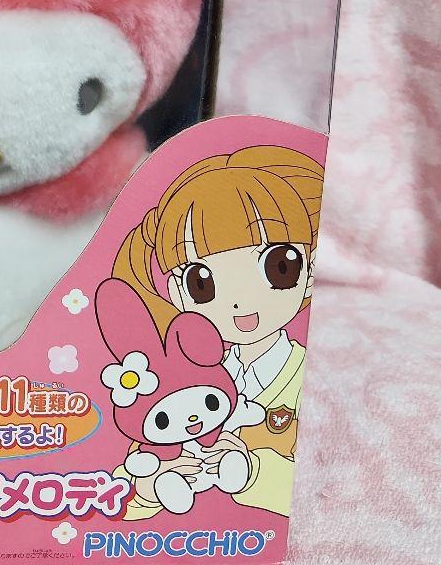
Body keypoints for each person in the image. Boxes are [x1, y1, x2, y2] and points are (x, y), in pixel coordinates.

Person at [112, 146, 324, 518]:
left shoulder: (305, 377)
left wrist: (250, 473)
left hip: (254, 535)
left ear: (309, 272)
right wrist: (150, 486)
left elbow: (312, 489)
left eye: (278, 267)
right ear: (179, 294)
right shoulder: (186, 373)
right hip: (177, 539)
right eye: (202, 282)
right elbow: (114, 491)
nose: (241, 301)